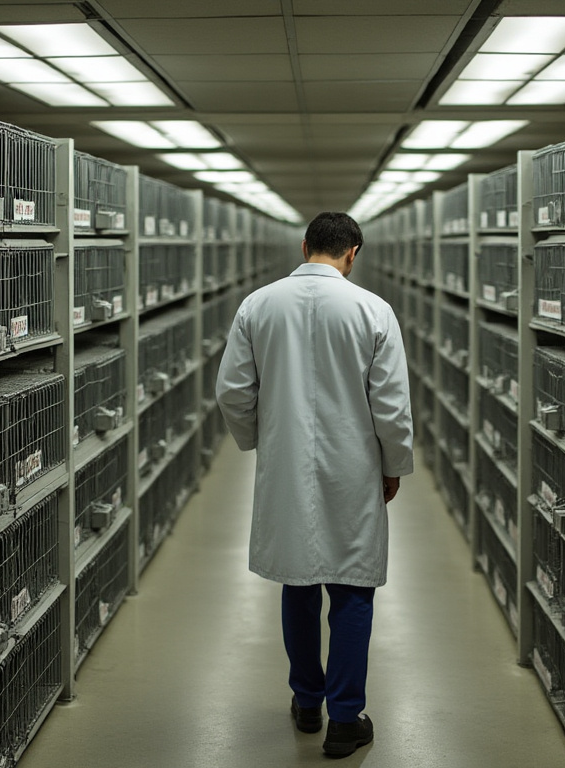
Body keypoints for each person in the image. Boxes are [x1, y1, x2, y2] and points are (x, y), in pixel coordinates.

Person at [215, 211, 414, 757]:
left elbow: (232, 391)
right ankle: (346, 720)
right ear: (354, 252)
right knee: (352, 587)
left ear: (305, 246)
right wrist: (393, 464)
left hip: (285, 467)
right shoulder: (373, 310)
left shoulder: (258, 304)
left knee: (298, 583)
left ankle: (307, 703)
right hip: (354, 469)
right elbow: (391, 407)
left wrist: (261, 439)